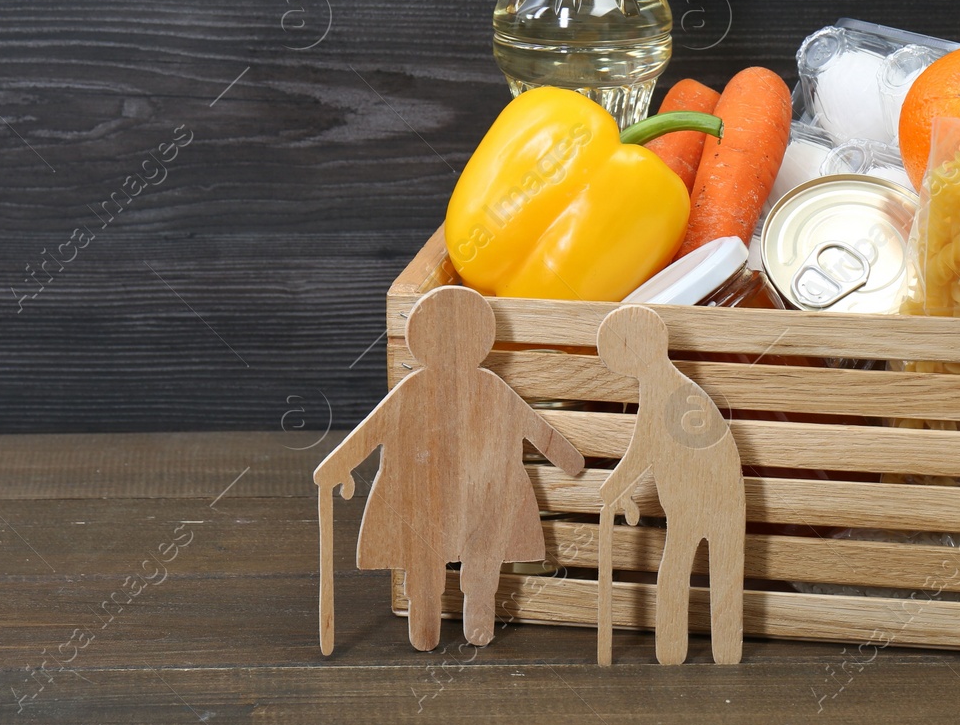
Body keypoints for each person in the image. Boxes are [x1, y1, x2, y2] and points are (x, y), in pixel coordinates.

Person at [315, 285, 585, 651]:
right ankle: (449, 624)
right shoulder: (476, 388)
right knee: (448, 563)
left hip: (456, 497)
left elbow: (366, 436)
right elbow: (543, 436)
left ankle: (454, 624)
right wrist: (571, 462)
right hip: (457, 498)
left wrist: (334, 469)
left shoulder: (429, 389)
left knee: (457, 563)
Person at [597, 305, 744, 665]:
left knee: (681, 570)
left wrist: (612, 487)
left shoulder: (666, 390)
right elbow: (651, 449)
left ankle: (678, 652)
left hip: (702, 501)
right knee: (715, 572)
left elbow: (644, 449)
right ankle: (716, 652)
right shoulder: (671, 387)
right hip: (703, 501)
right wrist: (619, 488)